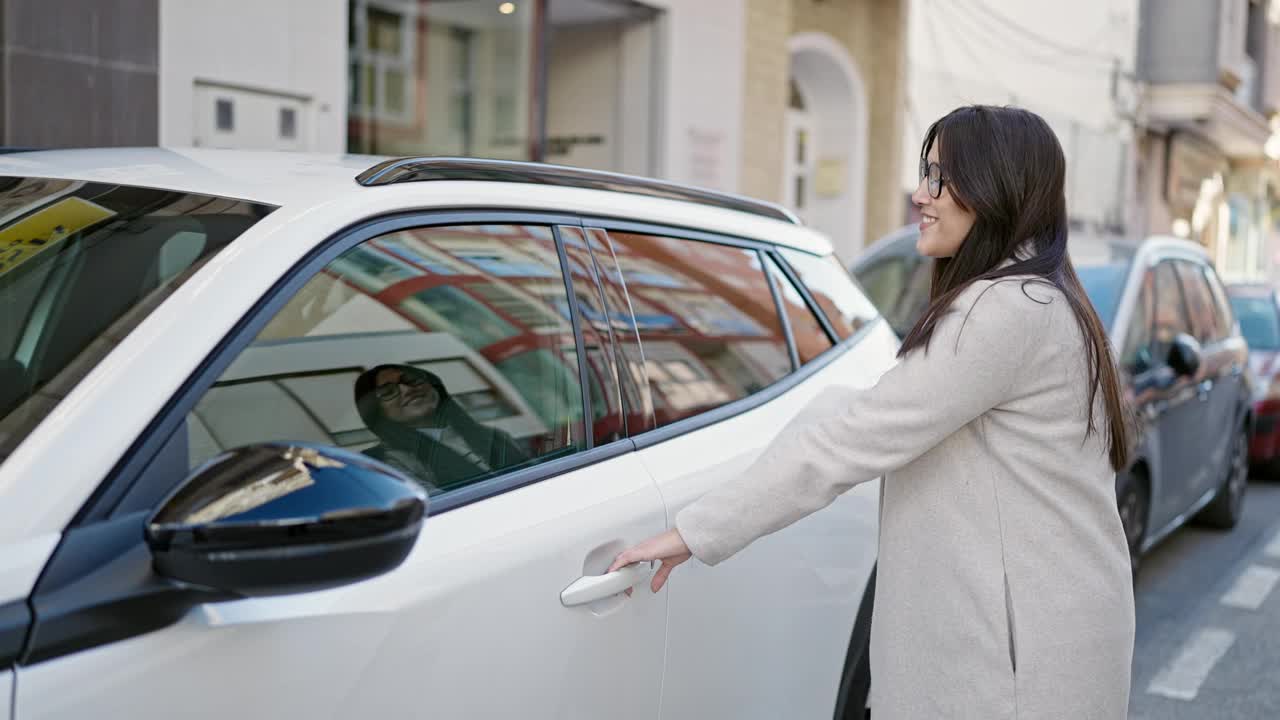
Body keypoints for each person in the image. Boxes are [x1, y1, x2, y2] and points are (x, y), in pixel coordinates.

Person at [609, 105, 1136, 719]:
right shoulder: (1044, 300)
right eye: (925, 173)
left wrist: (693, 532)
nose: (920, 195)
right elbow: (867, 417)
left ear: (996, 186)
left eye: (940, 177)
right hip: (1042, 636)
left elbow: (852, 439)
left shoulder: (1004, 310)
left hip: (1012, 664)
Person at [354, 363, 526, 494]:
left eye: (412, 380)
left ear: (435, 387)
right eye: (388, 392)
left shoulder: (493, 436)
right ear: (376, 413)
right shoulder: (385, 463)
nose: (406, 390)